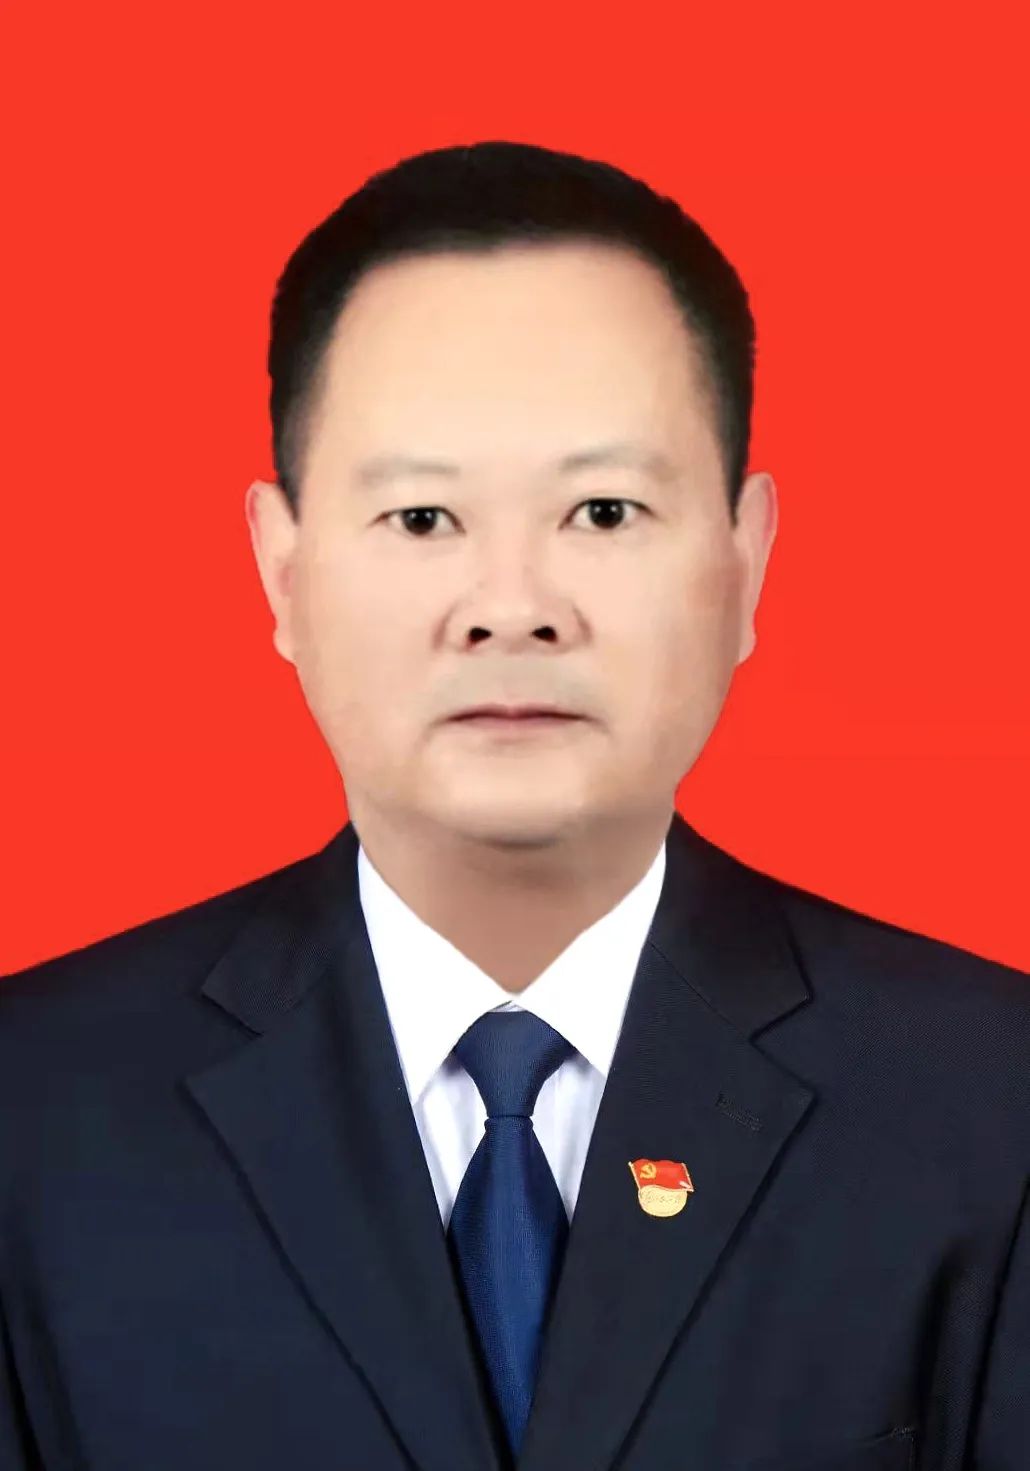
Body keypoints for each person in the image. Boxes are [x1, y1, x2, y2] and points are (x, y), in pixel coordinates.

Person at [1, 140, 1027, 1471]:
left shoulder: (988, 1103)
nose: (511, 607)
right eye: (423, 518)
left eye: (602, 510)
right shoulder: (35, 1113)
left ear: (745, 561)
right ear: (282, 573)